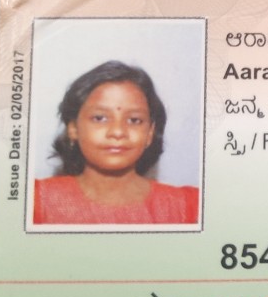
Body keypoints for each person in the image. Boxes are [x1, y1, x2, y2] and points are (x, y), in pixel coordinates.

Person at [34, 61, 199, 224]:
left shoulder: (189, 209)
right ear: (73, 129)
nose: (118, 132)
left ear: (150, 133)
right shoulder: (36, 201)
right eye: (100, 118)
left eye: (134, 120)